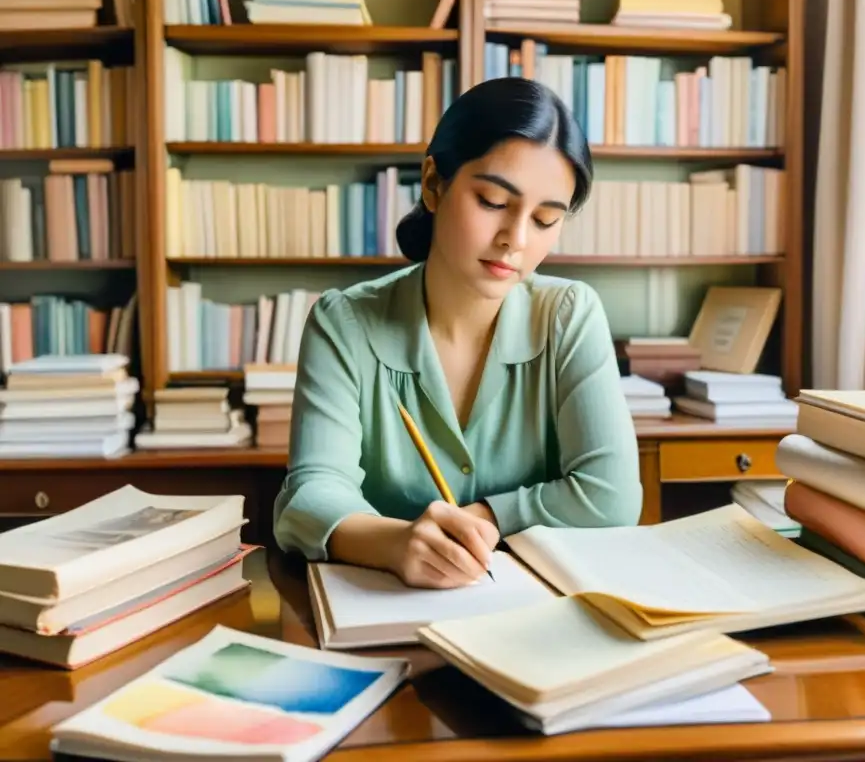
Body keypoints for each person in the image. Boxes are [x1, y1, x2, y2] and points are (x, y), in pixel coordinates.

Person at [273, 76, 643, 589]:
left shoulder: (569, 315)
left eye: (544, 218)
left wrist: (481, 522)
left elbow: (612, 497)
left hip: (541, 622)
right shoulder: (346, 323)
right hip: (387, 621)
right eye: (493, 201)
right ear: (433, 183)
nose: (515, 239)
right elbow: (311, 495)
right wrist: (398, 544)